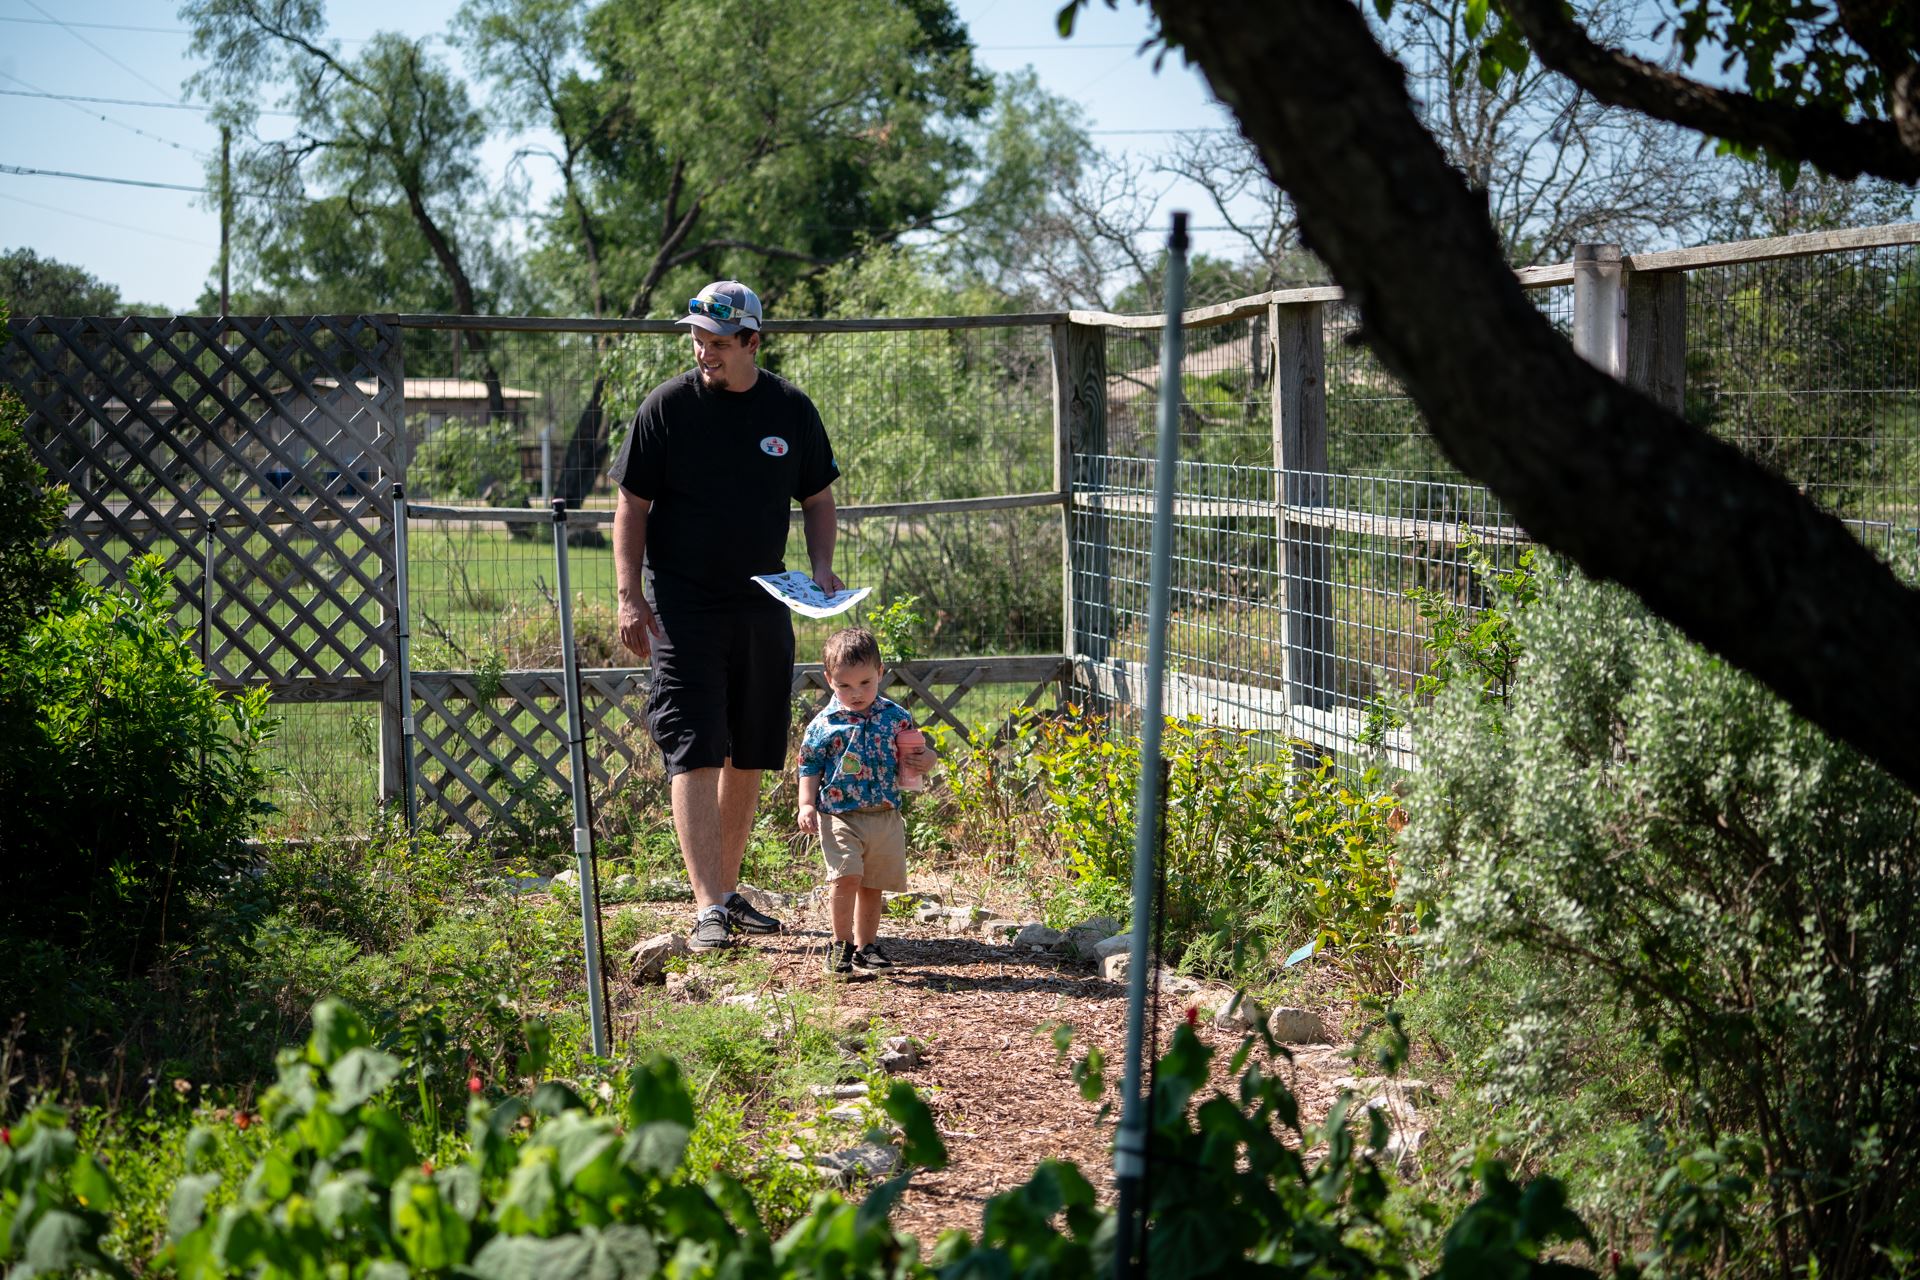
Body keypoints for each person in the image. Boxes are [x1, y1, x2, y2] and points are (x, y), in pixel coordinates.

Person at [610, 279, 844, 952]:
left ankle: (728, 892)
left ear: (752, 342)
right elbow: (632, 507)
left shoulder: (791, 409)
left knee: (750, 749)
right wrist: (630, 596)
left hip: (767, 600)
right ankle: (707, 904)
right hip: (683, 606)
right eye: (697, 340)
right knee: (695, 745)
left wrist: (821, 565)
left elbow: (818, 497)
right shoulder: (666, 409)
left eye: (716, 343)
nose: (703, 353)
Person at [797, 626, 938, 977]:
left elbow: (916, 750)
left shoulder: (895, 716)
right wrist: (806, 804)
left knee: (872, 883)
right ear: (829, 679)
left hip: (884, 812)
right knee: (846, 877)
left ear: (880, 673)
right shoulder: (823, 724)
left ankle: (866, 946)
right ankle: (840, 944)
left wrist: (928, 759)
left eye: (865, 683)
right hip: (839, 812)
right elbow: (808, 764)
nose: (855, 693)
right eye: (844, 685)